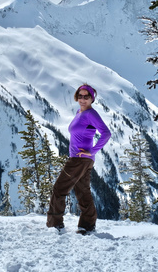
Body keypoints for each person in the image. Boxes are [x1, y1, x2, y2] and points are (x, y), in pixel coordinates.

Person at [46, 83, 111, 235]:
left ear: (92, 99)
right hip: (82, 159)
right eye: (80, 96)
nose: (82, 99)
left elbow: (106, 133)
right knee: (83, 191)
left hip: (79, 159)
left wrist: (92, 151)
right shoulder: (80, 112)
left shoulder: (90, 114)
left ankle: (55, 224)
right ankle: (87, 225)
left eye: (86, 97)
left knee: (59, 189)